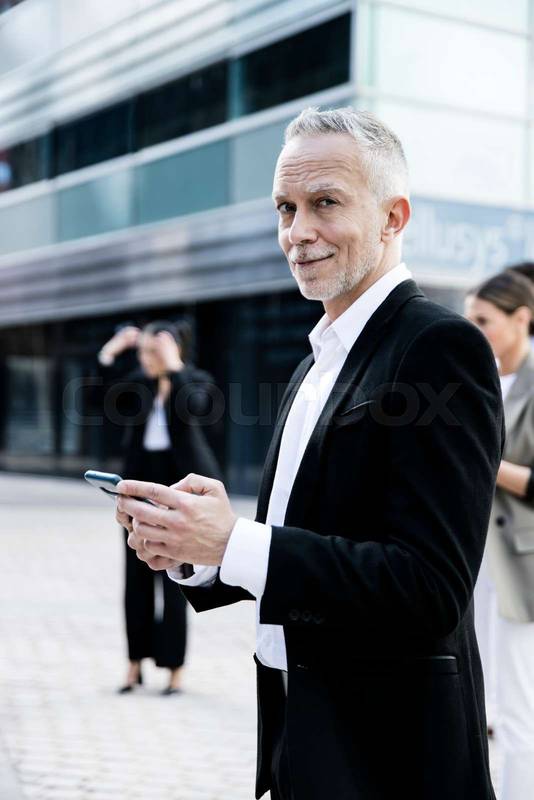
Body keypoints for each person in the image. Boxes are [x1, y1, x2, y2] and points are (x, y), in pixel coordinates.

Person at [117, 108, 503, 799]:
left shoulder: (438, 347)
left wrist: (237, 541)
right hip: (297, 733)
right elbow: (307, 545)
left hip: (390, 754)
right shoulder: (315, 361)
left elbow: (430, 588)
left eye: (325, 203)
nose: (297, 233)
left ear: (393, 218)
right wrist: (196, 548)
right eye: (285, 208)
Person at [98, 320, 221, 694]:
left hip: (179, 494)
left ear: (172, 351)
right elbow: (99, 398)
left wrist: (174, 368)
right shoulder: (139, 383)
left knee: (175, 584)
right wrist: (110, 352)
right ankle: (134, 666)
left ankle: (175, 670)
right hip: (137, 491)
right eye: (143, 352)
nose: (145, 359)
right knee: (135, 582)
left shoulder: (195, 379)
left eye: (152, 352)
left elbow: (196, 408)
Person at [465, 270, 534, 800]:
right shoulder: (473, 376)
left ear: (522, 319)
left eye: (484, 321)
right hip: (471, 559)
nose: (474, 330)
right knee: (474, 701)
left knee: (517, 712)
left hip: (520, 568)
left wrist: (479, 460)